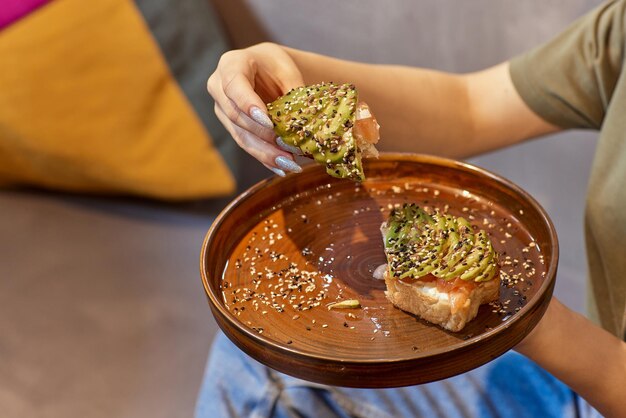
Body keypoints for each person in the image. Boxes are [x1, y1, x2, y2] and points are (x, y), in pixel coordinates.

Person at [199, 1, 626, 417]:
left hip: (597, 378)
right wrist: (297, 81)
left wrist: (523, 318)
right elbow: (469, 107)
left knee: (262, 377)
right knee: (257, 359)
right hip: (577, 373)